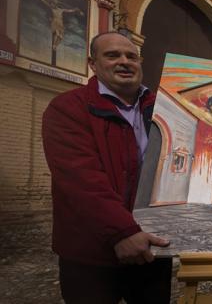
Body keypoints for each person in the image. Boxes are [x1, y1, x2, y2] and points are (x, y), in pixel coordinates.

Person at [42, 31, 172, 303]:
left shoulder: (166, 109)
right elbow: (81, 181)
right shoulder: (67, 108)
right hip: (91, 253)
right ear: (93, 63)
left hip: (150, 248)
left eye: (131, 56)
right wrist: (122, 232)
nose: (124, 62)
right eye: (112, 55)